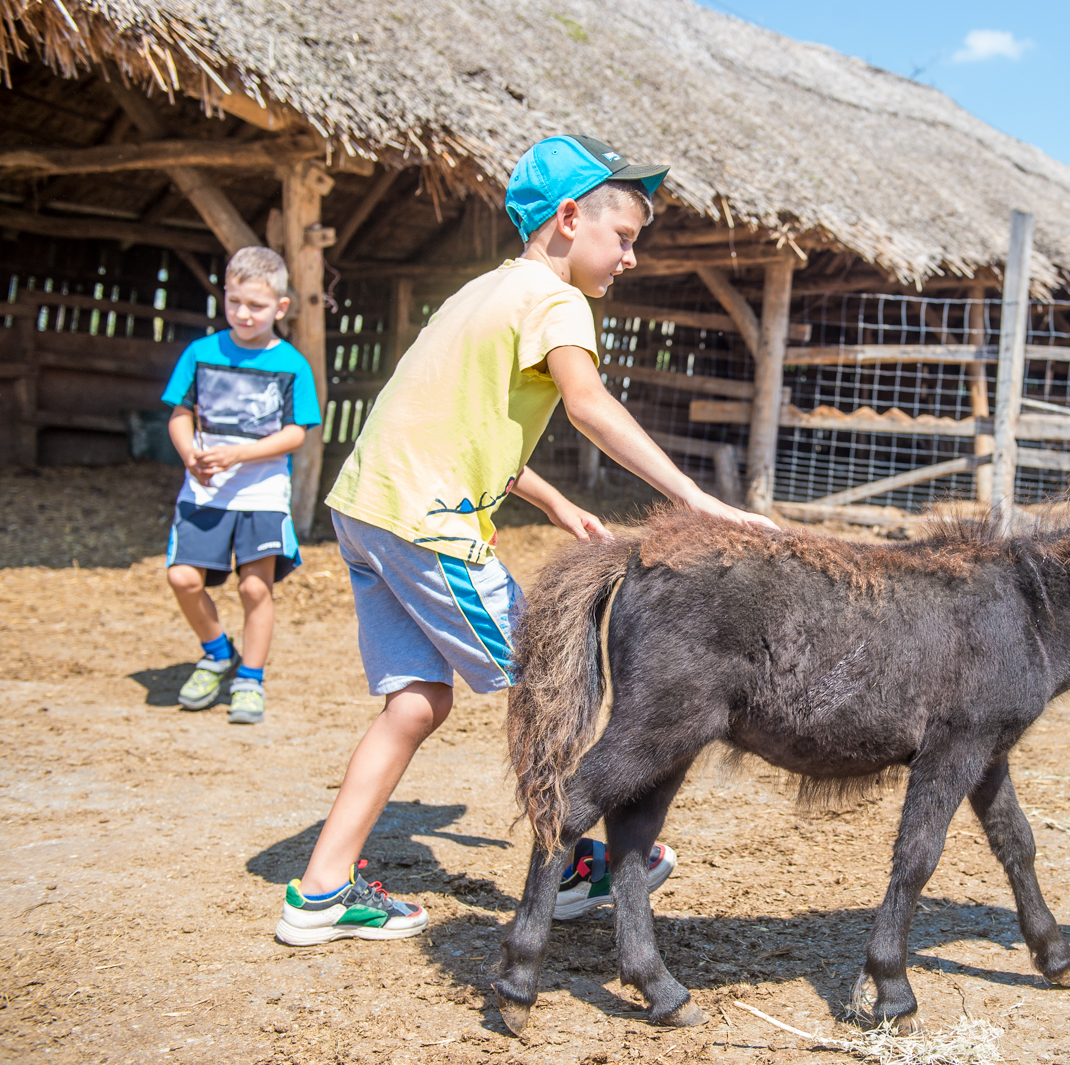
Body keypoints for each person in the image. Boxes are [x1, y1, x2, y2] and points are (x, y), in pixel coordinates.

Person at [275, 135, 777, 945]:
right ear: (571, 218)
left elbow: (445, 420)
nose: (632, 258)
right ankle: (579, 862)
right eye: (624, 237)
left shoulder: (480, 293)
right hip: (428, 520)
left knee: (416, 700)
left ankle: (321, 889)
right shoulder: (555, 300)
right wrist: (695, 498)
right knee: (552, 668)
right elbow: (587, 403)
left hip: (368, 512)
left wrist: (548, 497)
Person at [162, 246, 321, 726]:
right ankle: (216, 653)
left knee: (255, 589)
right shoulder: (200, 353)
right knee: (182, 578)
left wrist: (238, 453)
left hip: (262, 494)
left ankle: (249, 678)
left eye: (255, 305)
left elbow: (297, 432)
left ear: (281, 307)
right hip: (204, 492)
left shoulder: (292, 364)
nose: (243, 314)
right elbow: (180, 414)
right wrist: (189, 453)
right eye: (234, 302)